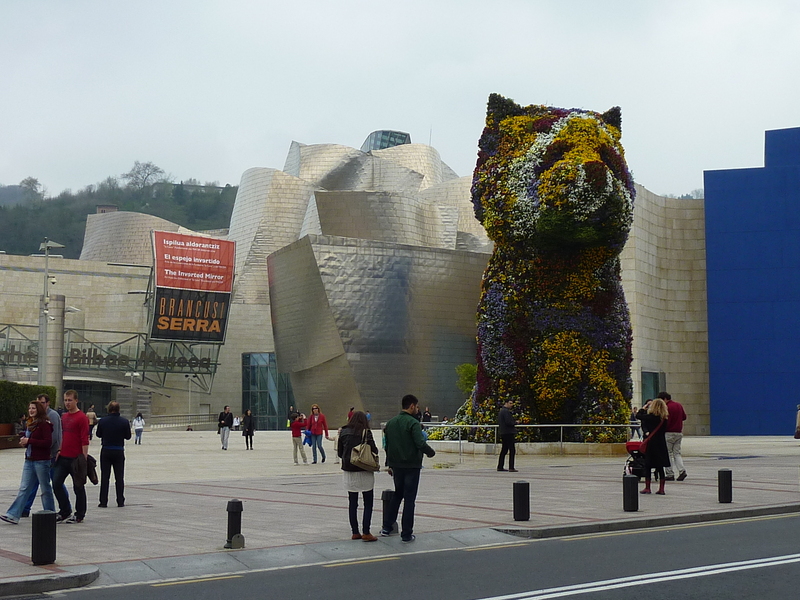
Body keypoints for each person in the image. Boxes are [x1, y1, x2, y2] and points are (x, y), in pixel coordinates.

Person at [381, 394, 436, 542]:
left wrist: (390, 464)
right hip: (411, 466)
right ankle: (406, 533)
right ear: (411, 406)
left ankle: (387, 527)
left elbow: (387, 445)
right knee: (409, 499)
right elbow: (420, 443)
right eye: (416, 407)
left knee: (398, 495)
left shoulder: (391, 423)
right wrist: (430, 452)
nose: (417, 409)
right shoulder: (413, 423)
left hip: (397, 466)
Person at [1, 400, 55, 524]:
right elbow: (30, 441)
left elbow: (47, 443)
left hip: (41, 461)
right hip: (29, 460)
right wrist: (24, 442)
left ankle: (50, 513)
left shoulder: (44, 424)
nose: (31, 411)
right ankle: (13, 515)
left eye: (34, 408)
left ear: (39, 410)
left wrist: (29, 441)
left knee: (45, 488)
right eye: (29, 408)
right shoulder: (30, 424)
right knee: (24, 488)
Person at [21, 393, 66, 518]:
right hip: (34, 456)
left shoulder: (51, 416)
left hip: (48, 455)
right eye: (37, 403)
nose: (39, 405)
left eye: (42, 403)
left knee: (54, 483)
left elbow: (55, 437)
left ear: (48, 403)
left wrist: (56, 451)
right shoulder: (34, 420)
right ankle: (24, 509)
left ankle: (63, 508)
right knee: (33, 485)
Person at [337, 411, 379, 542]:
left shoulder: (343, 431)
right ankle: (366, 532)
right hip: (364, 469)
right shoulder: (366, 432)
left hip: (349, 471)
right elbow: (374, 450)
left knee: (353, 503)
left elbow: (340, 452)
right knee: (368, 502)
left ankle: (355, 532)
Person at [53, 390, 90, 523]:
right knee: (56, 483)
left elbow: (85, 439)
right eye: (66, 400)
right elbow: (62, 436)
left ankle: (80, 514)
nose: (67, 403)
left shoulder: (82, 418)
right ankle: (65, 511)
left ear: (76, 401)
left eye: (70, 400)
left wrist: (83, 458)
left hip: (76, 458)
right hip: (63, 457)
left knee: (78, 486)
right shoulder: (64, 417)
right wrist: (59, 450)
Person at [95, 401, 131, 508]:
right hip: (119, 450)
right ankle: (120, 500)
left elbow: (98, 434)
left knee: (105, 477)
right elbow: (128, 436)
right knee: (119, 477)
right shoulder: (124, 421)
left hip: (106, 450)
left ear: (108, 409)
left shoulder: (103, 421)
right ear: (119, 409)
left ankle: (103, 501)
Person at [636, 398, 670, 495]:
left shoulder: (651, 417)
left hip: (651, 443)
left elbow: (638, 416)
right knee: (660, 467)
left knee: (648, 465)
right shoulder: (664, 418)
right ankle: (661, 489)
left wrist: (644, 407)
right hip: (661, 444)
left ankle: (647, 487)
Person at [660, 391, 688, 481]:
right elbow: (684, 417)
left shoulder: (666, 407)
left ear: (665, 399)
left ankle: (669, 473)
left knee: (667, 454)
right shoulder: (678, 405)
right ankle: (682, 470)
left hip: (668, 433)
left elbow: (665, 420)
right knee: (677, 453)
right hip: (678, 432)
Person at [497, 399, 517, 472]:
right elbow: (508, 422)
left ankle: (500, 466)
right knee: (512, 450)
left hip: (503, 432)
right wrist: (515, 422)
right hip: (508, 433)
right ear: (506, 403)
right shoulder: (506, 412)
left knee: (504, 450)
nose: (511, 405)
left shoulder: (501, 411)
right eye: (510, 403)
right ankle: (511, 467)